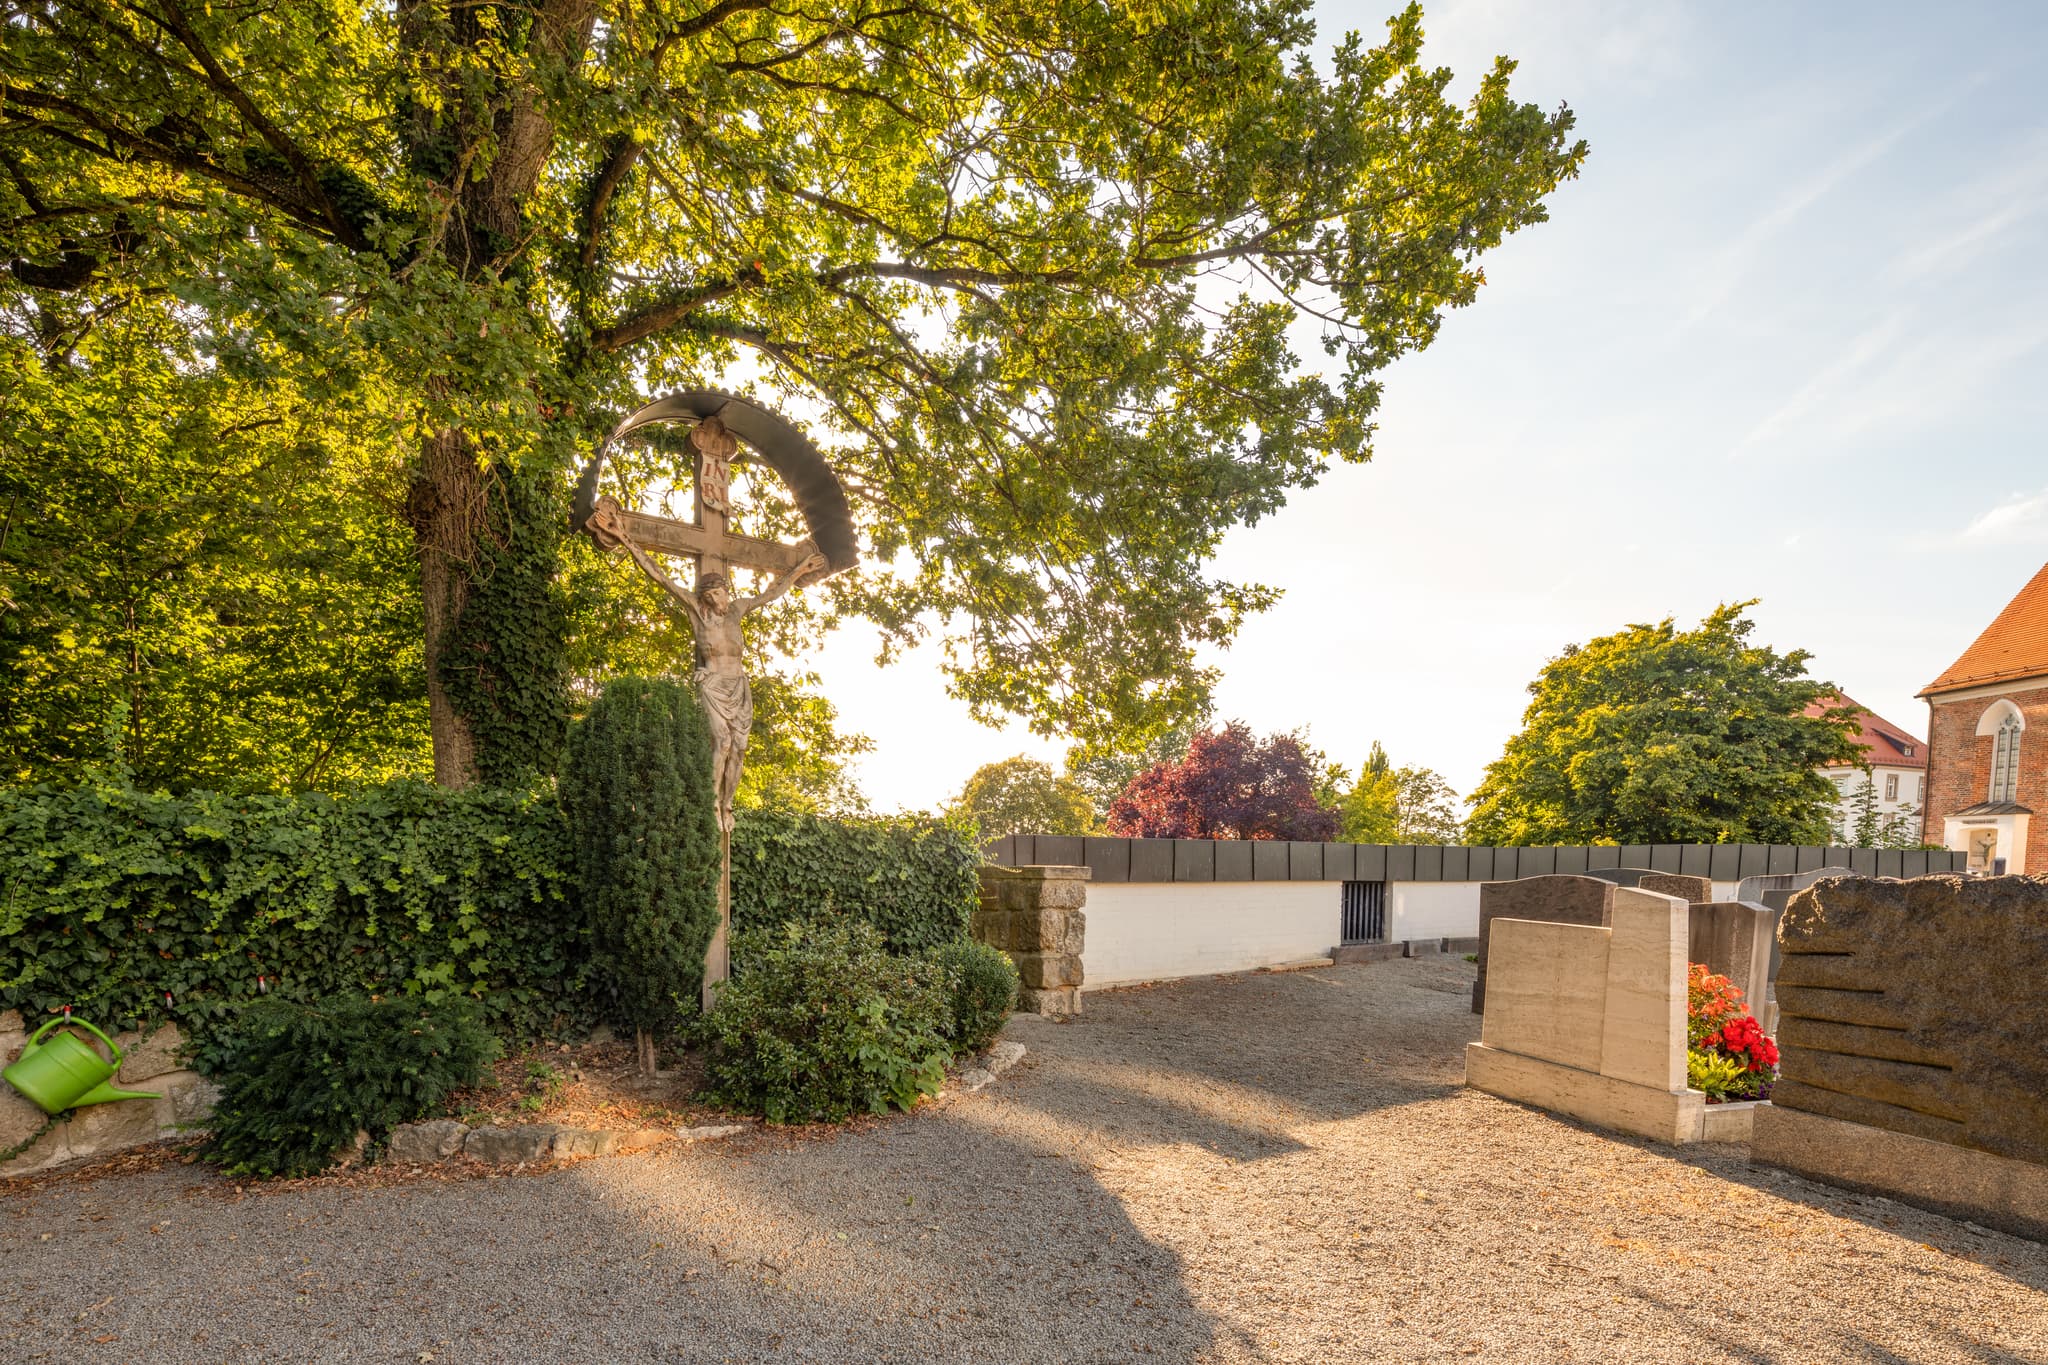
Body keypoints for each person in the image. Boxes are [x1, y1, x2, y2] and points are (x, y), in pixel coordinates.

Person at [587, 496, 826, 830]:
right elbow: (660, 577)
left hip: (738, 684)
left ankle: (728, 804)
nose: (720, 600)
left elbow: (772, 591)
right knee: (722, 742)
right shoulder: (697, 613)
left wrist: (800, 568)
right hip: (712, 684)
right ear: (704, 598)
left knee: (740, 747)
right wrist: (625, 537)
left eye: (723, 594)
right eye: (714, 596)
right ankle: (712, 801)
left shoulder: (739, 609)